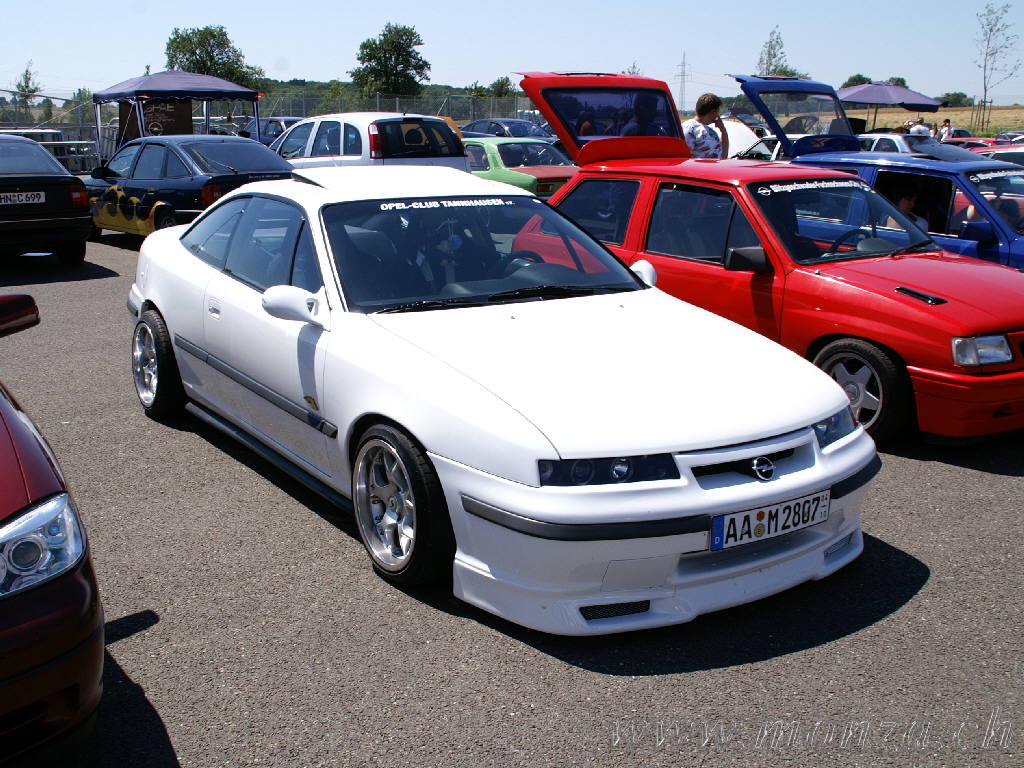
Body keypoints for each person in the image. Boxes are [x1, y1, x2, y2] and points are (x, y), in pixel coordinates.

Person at [681, 93, 729, 159]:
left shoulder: (711, 132)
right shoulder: (689, 128)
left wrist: (723, 131)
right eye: (718, 111)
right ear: (713, 111)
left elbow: (723, 157)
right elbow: (683, 158)